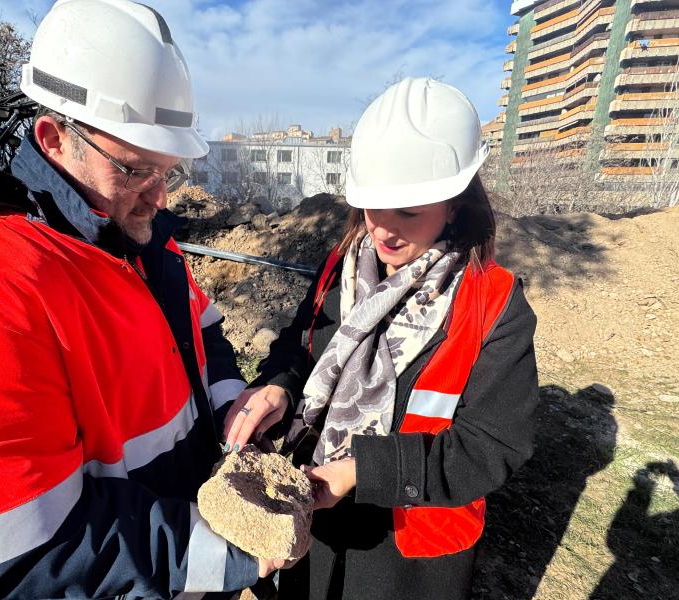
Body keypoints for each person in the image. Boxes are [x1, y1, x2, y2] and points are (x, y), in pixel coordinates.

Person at [0, 1, 287, 597]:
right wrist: (229, 550)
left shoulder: (144, 245)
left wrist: (232, 409)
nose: (160, 197)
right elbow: (38, 562)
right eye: (137, 170)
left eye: (168, 172)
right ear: (53, 140)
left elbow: (203, 333)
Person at [223, 77, 539, 600]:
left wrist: (360, 471)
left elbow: (491, 445)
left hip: (404, 556)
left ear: (454, 204)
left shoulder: (493, 304)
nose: (383, 231)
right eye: (374, 208)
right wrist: (279, 384)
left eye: (408, 213)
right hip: (312, 525)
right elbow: (299, 348)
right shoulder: (341, 268)